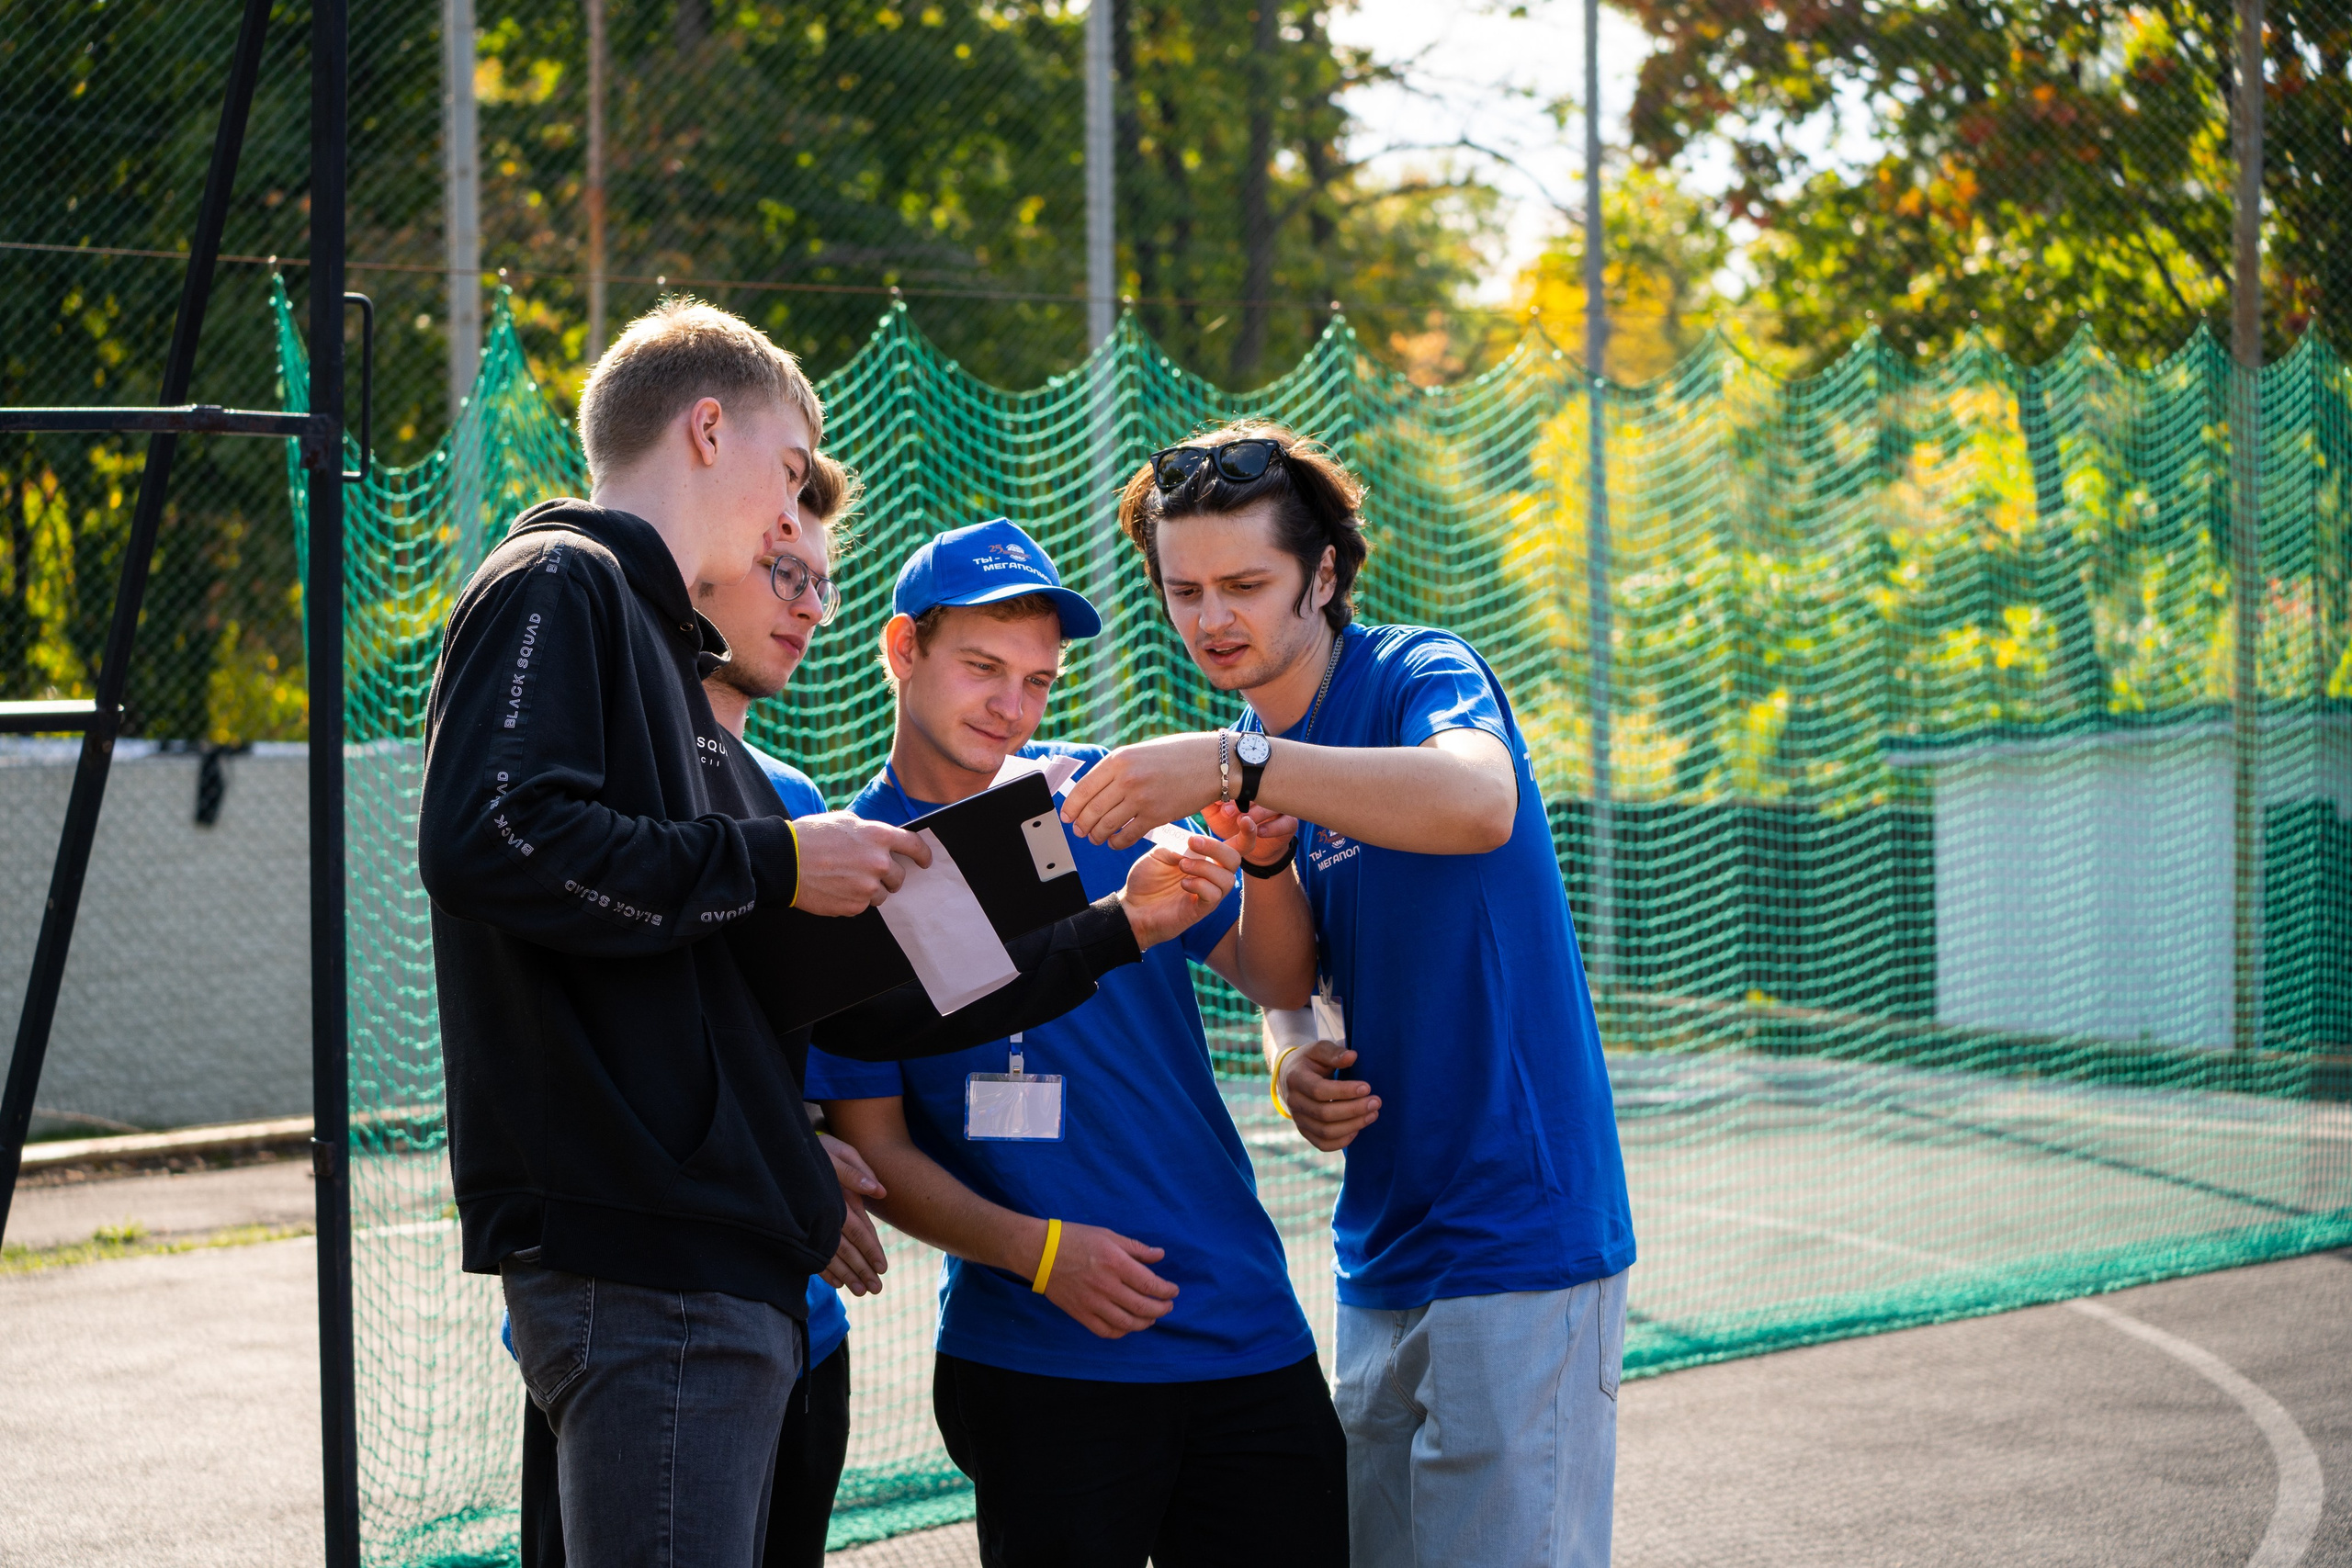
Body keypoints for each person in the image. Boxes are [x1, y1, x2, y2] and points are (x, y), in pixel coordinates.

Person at [418, 298, 1242, 1566]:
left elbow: (853, 1012)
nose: (794, 525)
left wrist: (1113, 930)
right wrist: (777, 861)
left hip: (726, 1278)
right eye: (791, 476)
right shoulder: (559, 580)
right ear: (709, 431)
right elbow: (494, 836)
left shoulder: (685, 689)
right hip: (652, 1264)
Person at [1060, 424, 1637, 1568]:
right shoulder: (1253, 746)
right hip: (1382, 1238)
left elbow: (1478, 803)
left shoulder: (1418, 672)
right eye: (1184, 590)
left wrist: (1233, 769)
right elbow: (1289, 972)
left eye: (1245, 585)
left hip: (1518, 1227)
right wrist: (1286, 1047)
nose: (1212, 617)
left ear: (1322, 576)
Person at [806, 518, 1348, 1568]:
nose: (1012, 706)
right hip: (1040, 1353)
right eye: (982, 669)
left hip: (1241, 1325)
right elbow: (878, 1154)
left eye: (1039, 680)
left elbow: (1279, 978)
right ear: (900, 649)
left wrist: (1267, 863)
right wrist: (1039, 1254)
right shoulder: (854, 868)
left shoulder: (1100, 800)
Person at [512, 452, 884, 1568]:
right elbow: (513, 872)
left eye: (823, 579)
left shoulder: (787, 806)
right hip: (645, 1287)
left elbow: (780, 1041)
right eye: (784, 569)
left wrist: (1106, 930)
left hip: (775, 1308)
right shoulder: (588, 761)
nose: (811, 607)